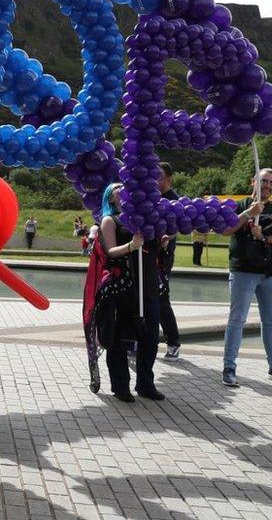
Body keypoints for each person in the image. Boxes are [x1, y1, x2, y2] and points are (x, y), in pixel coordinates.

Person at [220, 168, 272, 387]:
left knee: (271, 321)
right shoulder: (240, 205)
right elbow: (225, 229)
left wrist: (264, 236)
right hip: (243, 270)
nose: (268, 186)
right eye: (264, 181)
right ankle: (229, 367)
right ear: (253, 181)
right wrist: (248, 213)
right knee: (237, 320)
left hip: (270, 274)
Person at [98, 182, 166, 403]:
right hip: (125, 290)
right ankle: (120, 386)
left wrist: (161, 242)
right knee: (122, 339)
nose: (123, 187)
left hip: (148, 286)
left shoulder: (144, 219)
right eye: (117, 187)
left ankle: (146, 383)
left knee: (151, 339)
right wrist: (131, 246)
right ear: (110, 198)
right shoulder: (111, 221)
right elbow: (110, 252)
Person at [157, 162, 181, 360]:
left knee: (162, 298)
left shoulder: (174, 200)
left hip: (163, 257)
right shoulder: (150, 196)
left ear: (168, 180)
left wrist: (168, 237)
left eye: (159, 176)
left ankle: (173, 342)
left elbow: (177, 226)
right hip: (147, 252)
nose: (154, 179)